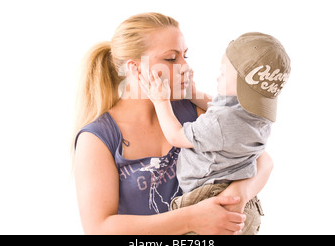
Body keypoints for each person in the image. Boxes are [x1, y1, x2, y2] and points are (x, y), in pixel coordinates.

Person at [73, 12, 274, 234]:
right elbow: (99, 228)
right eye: (171, 58)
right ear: (134, 68)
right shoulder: (97, 138)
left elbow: (261, 160)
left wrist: (238, 195)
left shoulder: (194, 111)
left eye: (184, 56)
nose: (185, 67)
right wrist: (191, 220)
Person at [139, 32, 291, 234]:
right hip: (245, 205)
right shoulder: (257, 115)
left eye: (223, 71)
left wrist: (160, 101)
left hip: (211, 200)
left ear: (239, 82)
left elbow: (176, 136)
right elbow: (218, 109)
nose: (217, 76)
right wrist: (194, 95)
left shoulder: (220, 123)